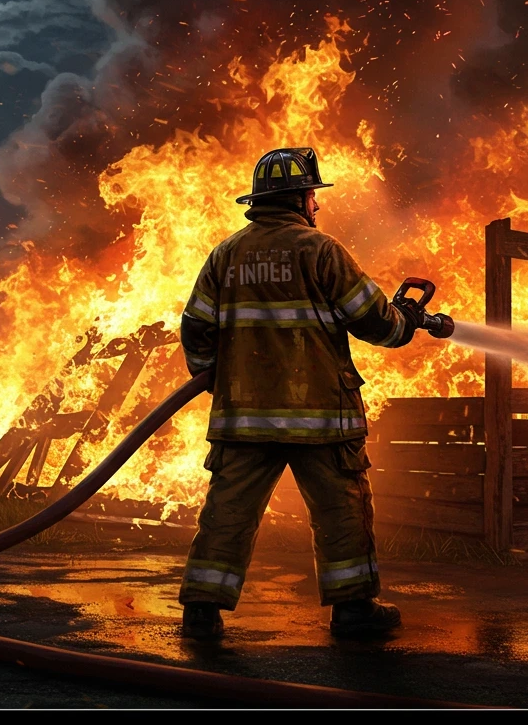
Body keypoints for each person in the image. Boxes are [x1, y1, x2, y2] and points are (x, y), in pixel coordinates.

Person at [177, 147, 426, 640]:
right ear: (300, 198)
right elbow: (374, 321)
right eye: (313, 196)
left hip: (243, 418)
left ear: (260, 201)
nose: (316, 206)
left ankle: (202, 612)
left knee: (228, 511)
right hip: (321, 418)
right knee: (340, 509)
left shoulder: (225, 255)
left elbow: (195, 328)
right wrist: (407, 323)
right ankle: (353, 611)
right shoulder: (320, 250)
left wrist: (218, 382)